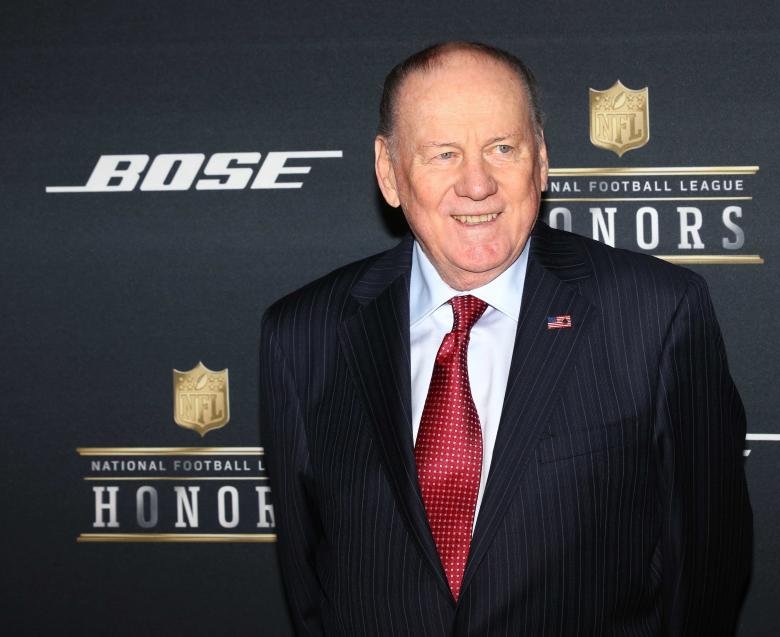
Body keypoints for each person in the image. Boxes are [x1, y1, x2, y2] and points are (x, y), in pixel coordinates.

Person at [260, 41, 752, 636]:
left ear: (541, 161)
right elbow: (309, 581)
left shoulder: (656, 313)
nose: (477, 183)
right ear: (389, 173)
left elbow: (705, 567)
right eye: (443, 153)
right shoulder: (304, 334)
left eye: (502, 148)